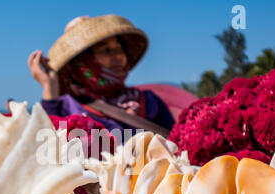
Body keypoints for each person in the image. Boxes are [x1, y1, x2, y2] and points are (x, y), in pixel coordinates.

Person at [28, 14, 175, 135]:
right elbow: (46, 148)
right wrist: (49, 87)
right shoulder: (64, 108)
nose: (118, 57)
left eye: (119, 48)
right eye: (106, 50)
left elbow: (177, 145)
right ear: (82, 61)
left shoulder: (149, 102)